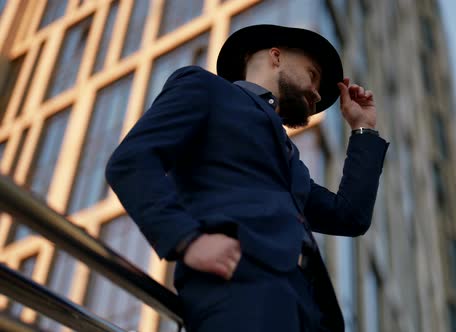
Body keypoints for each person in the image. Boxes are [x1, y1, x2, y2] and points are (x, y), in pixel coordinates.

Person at [105, 24, 389, 332]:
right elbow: (132, 160)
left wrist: (363, 130)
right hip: (241, 292)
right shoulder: (205, 88)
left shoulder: (292, 161)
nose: (317, 93)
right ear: (276, 57)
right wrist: (186, 239)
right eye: (312, 74)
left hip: (309, 310)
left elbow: (349, 216)